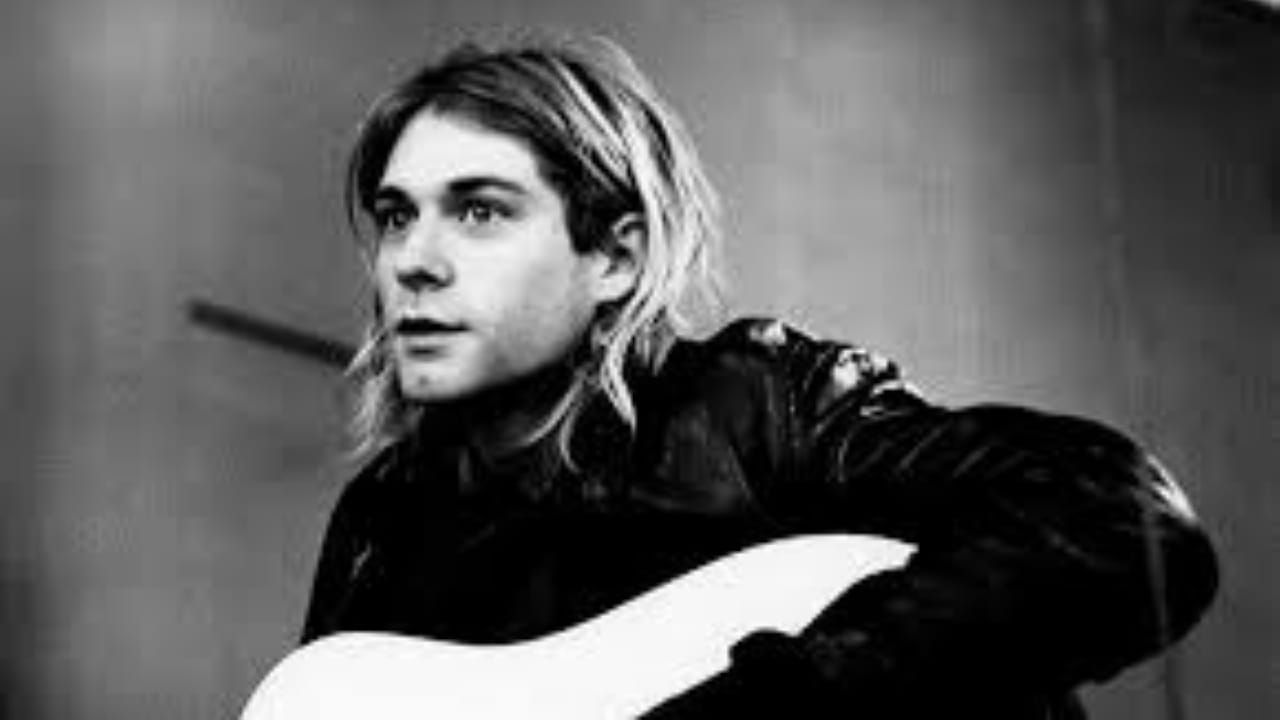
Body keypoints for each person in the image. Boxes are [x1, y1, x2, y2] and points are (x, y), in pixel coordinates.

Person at [299, 33, 1218, 718]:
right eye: (395, 216)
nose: (412, 261)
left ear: (616, 258)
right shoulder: (384, 525)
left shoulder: (754, 407)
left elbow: (1119, 518)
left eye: (480, 211)